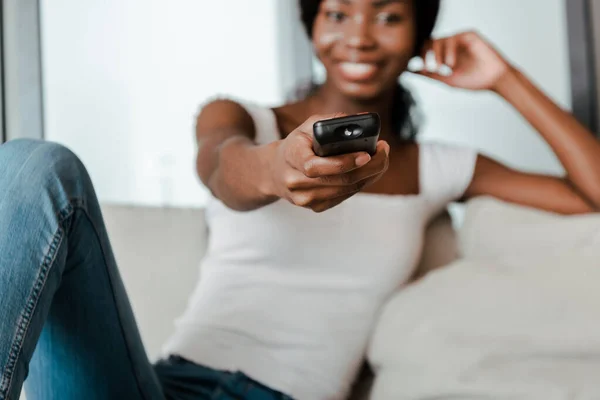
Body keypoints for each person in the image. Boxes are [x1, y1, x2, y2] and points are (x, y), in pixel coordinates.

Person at [1, 0, 600, 399]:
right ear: (312, 25)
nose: (359, 35)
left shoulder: (437, 167)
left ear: (420, 33)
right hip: (155, 385)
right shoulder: (241, 117)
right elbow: (222, 169)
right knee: (37, 166)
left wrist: (503, 77)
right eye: (337, 12)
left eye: (388, 15)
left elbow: (590, 191)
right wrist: (276, 169)